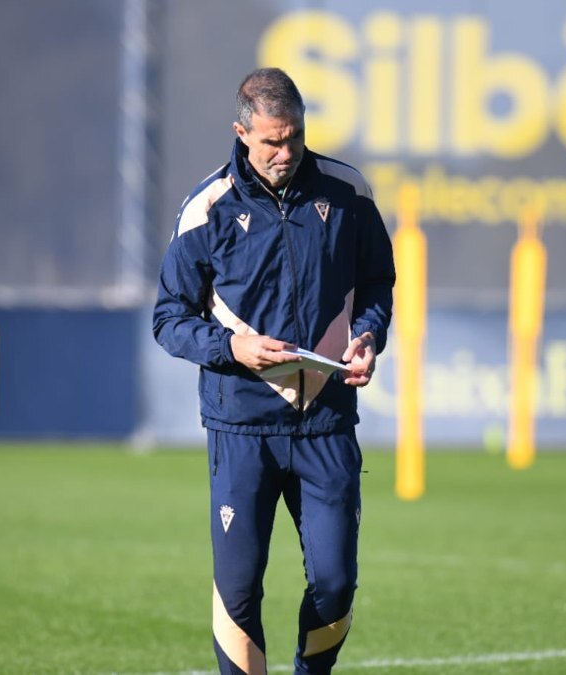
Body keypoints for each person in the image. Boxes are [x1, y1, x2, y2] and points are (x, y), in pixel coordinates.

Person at [152, 67, 396, 675]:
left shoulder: (348, 193)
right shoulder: (205, 209)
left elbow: (376, 282)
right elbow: (168, 318)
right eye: (271, 142)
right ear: (241, 132)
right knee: (238, 594)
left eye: (295, 137)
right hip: (241, 428)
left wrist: (369, 335)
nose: (286, 153)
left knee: (336, 583)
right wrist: (233, 349)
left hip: (327, 423)